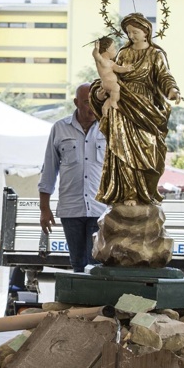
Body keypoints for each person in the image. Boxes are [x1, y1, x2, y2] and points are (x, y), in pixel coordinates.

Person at [89, 12, 181, 206]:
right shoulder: (123, 53)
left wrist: (172, 91)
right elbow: (113, 76)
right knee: (123, 149)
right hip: (124, 104)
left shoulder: (156, 54)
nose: (132, 35)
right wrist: (101, 93)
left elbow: (164, 76)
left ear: (146, 31)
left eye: (135, 31)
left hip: (146, 107)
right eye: (129, 32)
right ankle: (129, 193)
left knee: (150, 150)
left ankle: (146, 192)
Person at [39, 84, 107, 272]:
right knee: (78, 263)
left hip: (100, 209)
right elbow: (49, 170)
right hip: (71, 209)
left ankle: (96, 302)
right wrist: (44, 209)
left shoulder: (108, 128)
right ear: (76, 102)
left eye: (97, 102)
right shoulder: (60, 128)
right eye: (87, 102)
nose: (92, 107)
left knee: (97, 264)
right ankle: (82, 302)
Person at [91, 36, 134, 118]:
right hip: (107, 83)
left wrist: (126, 69)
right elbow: (95, 55)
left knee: (115, 97)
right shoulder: (102, 61)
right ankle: (112, 102)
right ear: (107, 50)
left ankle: (106, 107)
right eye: (114, 48)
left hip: (111, 84)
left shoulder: (110, 62)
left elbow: (118, 68)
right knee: (116, 88)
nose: (116, 51)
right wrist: (96, 49)